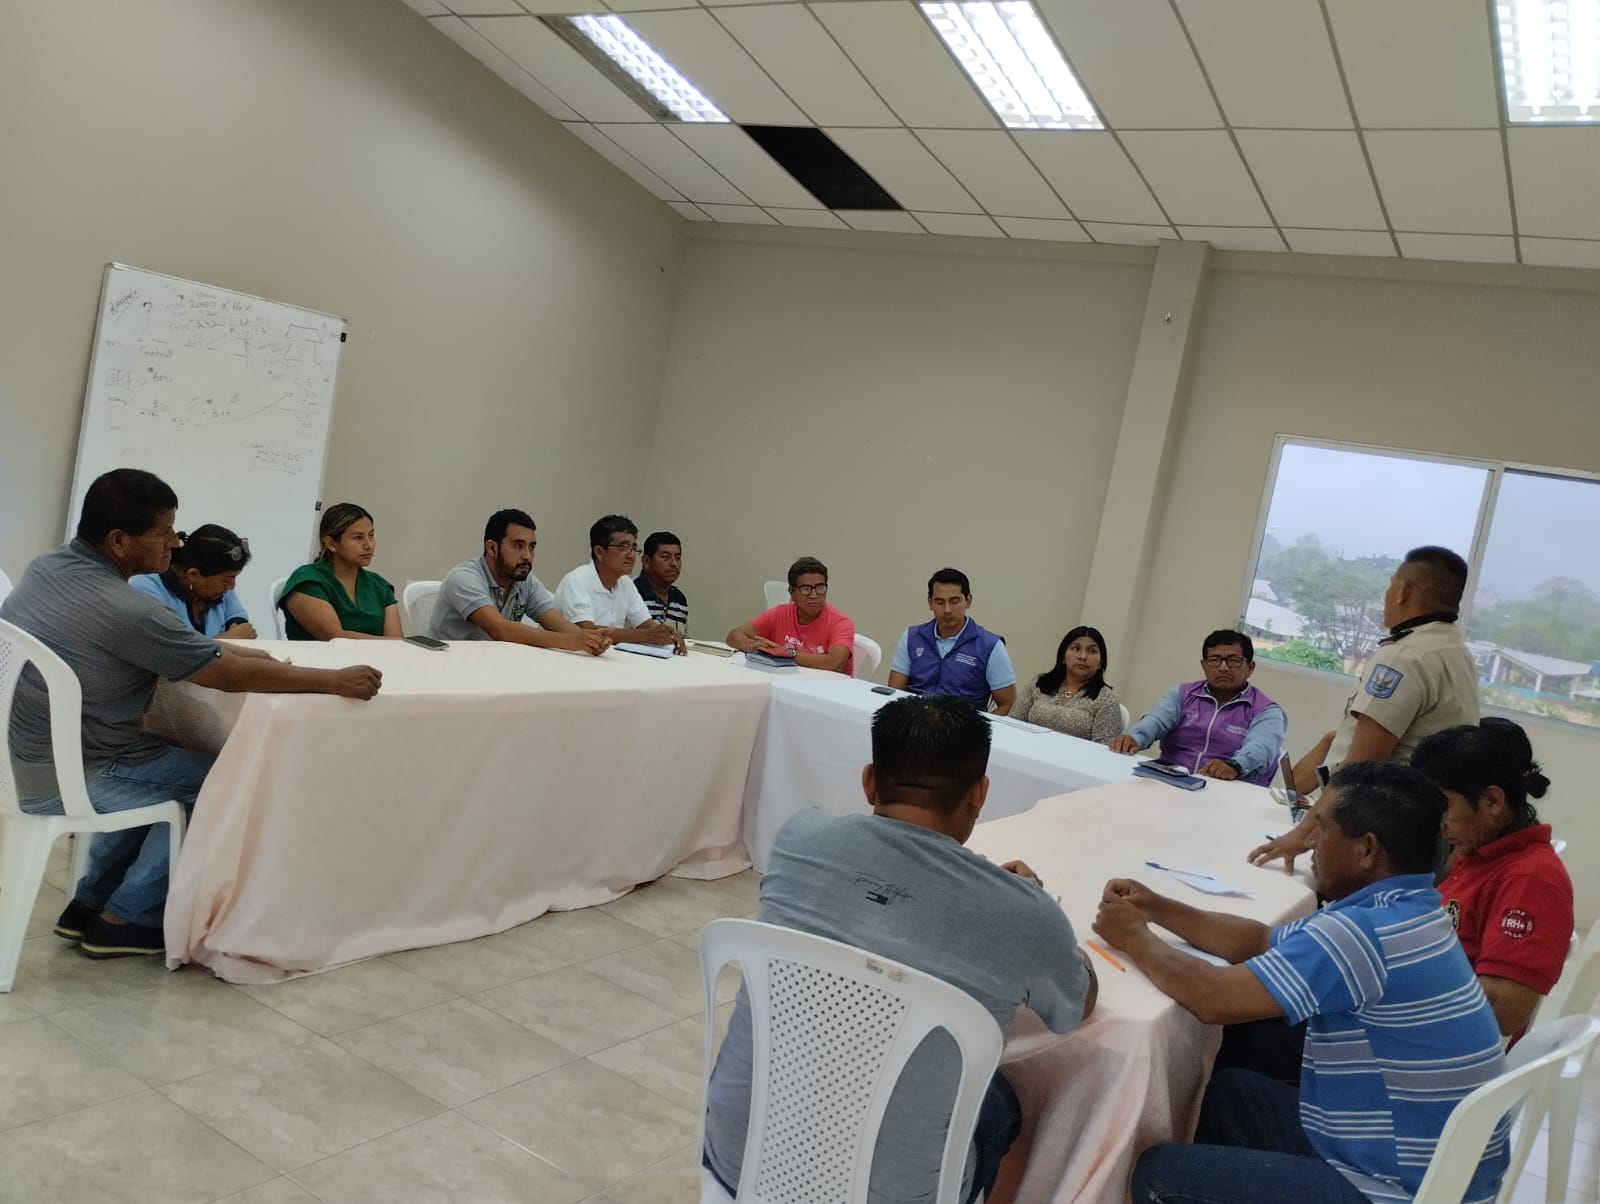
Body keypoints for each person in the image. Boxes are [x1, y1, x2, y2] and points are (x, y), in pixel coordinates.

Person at [702, 696, 1097, 1204]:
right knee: (1002, 1103)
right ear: (979, 795)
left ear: (869, 780)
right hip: (896, 1196)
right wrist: (1029, 905)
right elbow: (1076, 1006)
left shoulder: (800, 840)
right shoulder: (1025, 916)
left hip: (738, 1159)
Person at [2, 469, 382, 958]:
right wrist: (333, 680)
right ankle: (125, 920)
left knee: (167, 757)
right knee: (227, 776)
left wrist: (256, 658)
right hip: (75, 772)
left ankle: (88, 904)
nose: (175, 543)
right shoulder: (129, 610)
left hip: (22, 759)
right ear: (119, 541)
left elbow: (208, 651)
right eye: (163, 532)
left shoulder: (46, 568)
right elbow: (225, 674)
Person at [1094, 762, 1507, 1204]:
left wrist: (1134, 939)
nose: (1310, 843)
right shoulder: (1409, 908)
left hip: (1396, 1191)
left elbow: (1212, 997)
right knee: (1233, 1093)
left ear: (1366, 850)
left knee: (1159, 1175)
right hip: (1428, 1166)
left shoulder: (1361, 933)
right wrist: (1157, 908)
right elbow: (1259, 941)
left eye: (1322, 829)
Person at [1252, 546, 1479, 870]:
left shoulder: (1404, 657)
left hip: (1384, 833)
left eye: (1390, 583)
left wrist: (1303, 834)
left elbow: (1362, 765)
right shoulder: (1455, 651)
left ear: (1403, 591)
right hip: (1428, 828)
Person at [1413, 719, 1573, 1041]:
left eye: (1443, 806)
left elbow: (1503, 1010)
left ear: (1492, 801)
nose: (1436, 821)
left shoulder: (1531, 879)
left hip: (1441, 1047)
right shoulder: (1476, 852)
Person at [1108, 630, 1285, 783]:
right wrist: (1135, 738)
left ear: (1250, 667)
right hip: (1170, 781)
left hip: (1229, 789)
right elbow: (1156, 720)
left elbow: (1261, 747)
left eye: (1233, 660)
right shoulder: (1182, 694)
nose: (1223, 667)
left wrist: (1235, 766)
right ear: (1204, 665)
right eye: (1215, 659)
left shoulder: (1266, 710)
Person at [428, 508, 608, 654]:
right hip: (446, 663)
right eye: (518, 546)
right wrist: (568, 641)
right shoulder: (464, 577)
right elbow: (500, 629)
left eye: (531, 547)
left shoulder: (525, 581)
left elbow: (559, 624)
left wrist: (591, 641)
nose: (527, 556)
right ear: (492, 548)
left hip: (492, 662)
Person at [887, 568, 1016, 712]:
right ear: (930, 603)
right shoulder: (912, 637)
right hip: (913, 718)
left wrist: (980, 726)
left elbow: (1008, 704)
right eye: (939, 602)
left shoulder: (991, 646)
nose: (947, 609)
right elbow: (894, 692)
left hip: (962, 722)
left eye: (954, 601)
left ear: (968, 601)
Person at [553, 515, 683, 653]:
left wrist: (668, 635)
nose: (631, 555)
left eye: (634, 548)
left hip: (607, 656)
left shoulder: (626, 583)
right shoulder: (576, 581)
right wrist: (645, 635)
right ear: (599, 552)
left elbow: (646, 625)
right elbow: (586, 630)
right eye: (623, 547)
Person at [278, 502, 401, 640]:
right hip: (319, 655)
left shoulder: (379, 585)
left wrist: (395, 644)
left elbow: (397, 644)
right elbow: (335, 638)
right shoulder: (308, 581)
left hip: (374, 655)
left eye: (371, 536)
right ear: (331, 543)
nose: (369, 545)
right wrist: (391, 643)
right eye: (358, 537)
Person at [726, 556, 855, 675]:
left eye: (820, 588)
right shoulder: (779, 614)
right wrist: (754, 646)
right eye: (806, 589)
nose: (814, 595)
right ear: (791, 592)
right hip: (787, 683)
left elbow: (834, 663)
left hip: (828, 688)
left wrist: (786, 653)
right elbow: (734, 636)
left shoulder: (840, 623)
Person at [130, 523, 256, 638]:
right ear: (193, 574)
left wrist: (235, 635)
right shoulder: (147, 589)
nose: (231, 587)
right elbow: (168, 649)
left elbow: (241, 627)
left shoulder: (219, 590)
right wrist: (226, 641)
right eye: (226, 580)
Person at [1010, 626, 1123, 742]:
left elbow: (1102, 747)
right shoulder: (1039, 683)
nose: (1083, 657)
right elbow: (1012, 723)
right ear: (1063, 657)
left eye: (1092, 651)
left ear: (1100, 663)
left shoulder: (1106, 700)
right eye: (1076, 648)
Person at [635, 530, 688, 635]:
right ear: (646, 561)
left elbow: (684, 639)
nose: (674, 563)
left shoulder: (679, 599)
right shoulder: (632, 593)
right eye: (666, 557)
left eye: (677, 558)